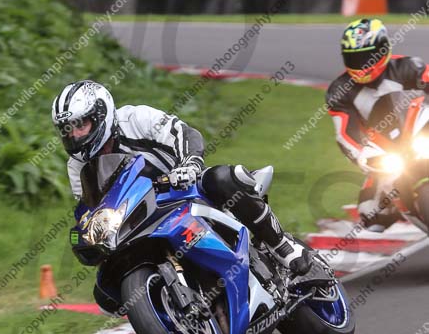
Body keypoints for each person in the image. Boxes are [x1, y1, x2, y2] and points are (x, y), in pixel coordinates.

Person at [52, 79, 311, 274]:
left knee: (222, 178)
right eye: (67, 130)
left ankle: (280, 243)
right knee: (107, 283)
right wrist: (85, 233)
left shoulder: (135, 118)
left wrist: (190, 163)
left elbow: (185, 134)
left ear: (101, 115)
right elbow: (90, 206)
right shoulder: (77, 165)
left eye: (80, 125)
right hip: (140, 214)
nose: (74, 136)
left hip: (184, 188)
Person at [326, 17, 429, 229]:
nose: (362, 64)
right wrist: (362, 155)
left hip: (421, 132)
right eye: (355, 58)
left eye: (367, 56)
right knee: (371, 215)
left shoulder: (409, 67)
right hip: (385, 150)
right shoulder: (339, 91)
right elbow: (344, 133)